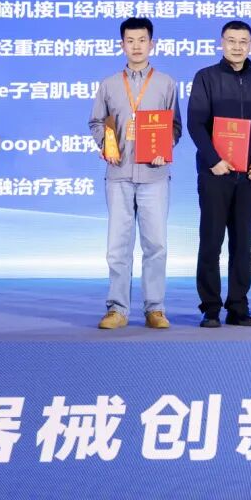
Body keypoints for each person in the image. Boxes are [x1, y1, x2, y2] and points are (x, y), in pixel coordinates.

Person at [89, 17, 182, 330]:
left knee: (156, 245)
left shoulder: (166, 83)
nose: (137, 46)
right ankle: (117, 309)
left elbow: (175, 127)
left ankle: (155, 308)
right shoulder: (109, 84)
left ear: (151, 44)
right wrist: (106, 144)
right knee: (118, 247)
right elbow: (96, 122)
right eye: (130, 41)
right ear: (122, 45)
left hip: (154, 175)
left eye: (142, 40)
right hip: (118, 174)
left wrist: (165, 146)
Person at [187, 20, 251, 328]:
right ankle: (210, 308)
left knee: (243, 246)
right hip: (215, 174)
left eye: (243, 41)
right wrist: (214, 160)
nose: (237, 46)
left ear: (250, 44)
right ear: (221, 43)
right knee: (211, 242)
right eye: (231, 41)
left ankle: (238, 306)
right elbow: (196, 123)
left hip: (248, 176)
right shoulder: (206, 77)